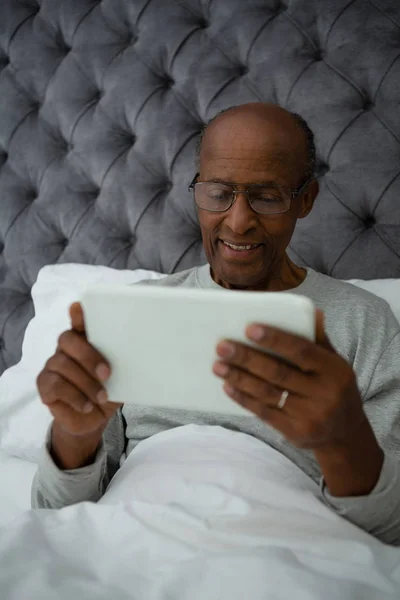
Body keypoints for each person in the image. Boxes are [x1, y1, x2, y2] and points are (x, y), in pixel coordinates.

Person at [31, 103, 400, 546]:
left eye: (266, 196)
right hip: (135, 539)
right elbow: (54, 520)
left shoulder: (364, 321)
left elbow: (389, 534)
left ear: (305, 200)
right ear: (196, 192)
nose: (239, 221)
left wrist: (342, 439)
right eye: (217, 193)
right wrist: (75, 433)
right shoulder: (138, 311)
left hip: (285, 546)